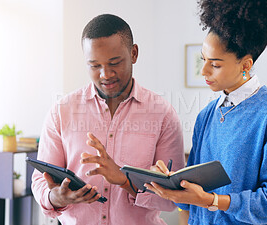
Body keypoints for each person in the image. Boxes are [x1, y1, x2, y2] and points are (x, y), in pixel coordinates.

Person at [145, 0, 267, 224]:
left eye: (215, 65)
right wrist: (170, 183)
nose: (204, 71)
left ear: (246, 65)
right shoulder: (207, 114)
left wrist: (212, 201)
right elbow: (191, 200)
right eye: (203, 60)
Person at [31, 14, 185, 225]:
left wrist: (124, 181)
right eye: (94, 66)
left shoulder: (163, 114)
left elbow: (174, 199)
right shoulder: (61, 111)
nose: (105, 74)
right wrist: (56, 197)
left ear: (134, 53)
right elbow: (40, 180)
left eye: (114, 62)